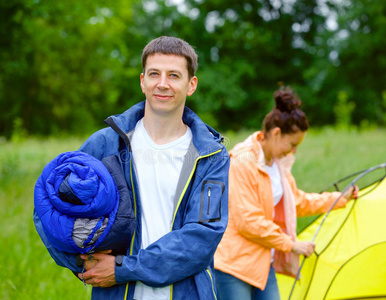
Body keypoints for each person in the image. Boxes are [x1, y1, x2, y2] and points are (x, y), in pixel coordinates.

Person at [33, 36, 230, 300]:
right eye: (154, 74)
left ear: (191, 84)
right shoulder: (105, 143)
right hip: (115, 294)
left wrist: (122, 269)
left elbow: (202, 237)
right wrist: (83, 262)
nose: (162, 84)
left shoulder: (211, 155)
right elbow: (46, 206)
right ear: (142, 81)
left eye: (174, 75)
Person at [213, 86, 358, 300]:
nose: (293, 151)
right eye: (292, 144)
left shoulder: (277, 164)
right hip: (234, 265)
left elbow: (296, 202)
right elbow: (248, 220)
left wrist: (337, 199)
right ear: (276, 133)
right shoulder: (243, 161)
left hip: (264, 262)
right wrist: (291, 244)